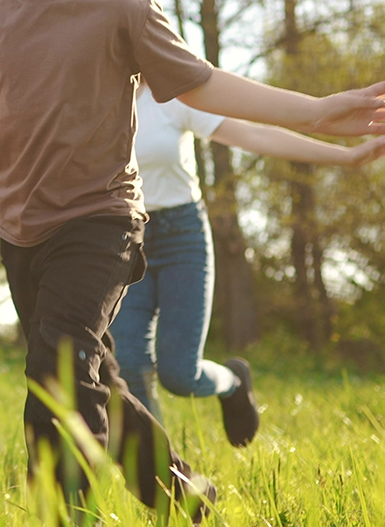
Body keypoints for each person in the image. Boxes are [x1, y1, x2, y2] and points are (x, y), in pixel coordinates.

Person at [0, 0, 384, 522]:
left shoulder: (121, 11)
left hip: (99, 220)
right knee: (94, 373)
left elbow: (202, 84)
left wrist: (317, 111)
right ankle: (185, 497)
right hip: (20, 226)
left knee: (58, 372)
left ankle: (61, 510)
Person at [112, 84, 385, 440]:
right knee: (129, 363)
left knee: (179, 375)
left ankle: (233, 382)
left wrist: (347, 157)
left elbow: (252, 133)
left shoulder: (171, 95)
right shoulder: (95, 99)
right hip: (127, 235)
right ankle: (162, 466)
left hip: (181, 235)